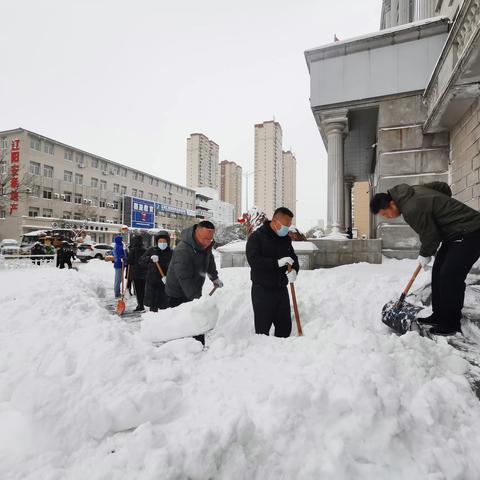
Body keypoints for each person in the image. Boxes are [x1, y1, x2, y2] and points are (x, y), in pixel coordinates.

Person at [370, 182, 480, 336]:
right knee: (437, 272)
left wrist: (425, 253)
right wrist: (441, 208)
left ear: (392, 203)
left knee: (449, 275)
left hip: (470, 230)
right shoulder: (412, 190)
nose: (387, 217)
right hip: (454, 233)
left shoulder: (411, 208)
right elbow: (443, 187)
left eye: (385, 213)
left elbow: (430, 236)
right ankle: (439, 315)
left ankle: (450, 323)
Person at [165, 221, 223, 344]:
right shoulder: (183, 250)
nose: (207, 242)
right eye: (204, 238)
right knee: (183, 324)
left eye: (210, 239)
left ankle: (198, 347)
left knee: (196, 321)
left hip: (193, 288)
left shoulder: (205, 246)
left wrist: (214, 278)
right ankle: (184, 352)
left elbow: (210, 261)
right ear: (196, 232)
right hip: (177, 292)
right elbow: (185, 278)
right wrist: (196, 300)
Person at [246, 207, 300, 337]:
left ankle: (283, 355)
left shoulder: (285, 239)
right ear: (275, 221)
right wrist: (276, 263)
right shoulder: (257, 237)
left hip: (281, 289)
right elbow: (254, 260)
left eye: (289, 226)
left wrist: (294, 271)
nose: (287, 229)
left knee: (285, 329)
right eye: (285, 226)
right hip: (262, 290)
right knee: (262, 331)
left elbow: (293, 259)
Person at [140, 231, 172, 312]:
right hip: (152, 284)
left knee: (164, 308)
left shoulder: (171, 253)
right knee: (153, 309)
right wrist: (150, 258)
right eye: (160, 241)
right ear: (157, 242)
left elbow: (176, 267)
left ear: (167, 242)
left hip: (165, 285)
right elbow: (141, 261)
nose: (162, 243)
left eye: (164, 241)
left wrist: (169, 278)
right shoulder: (151, 250)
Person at [126, 235, 148, 312]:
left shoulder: (133, 250)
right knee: (143, 290)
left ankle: (140, 306)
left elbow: (129, 261)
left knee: (138, 291)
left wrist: (126, 259)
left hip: (136, 274)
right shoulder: (145, 250)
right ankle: (143, 304)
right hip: (145, 273)